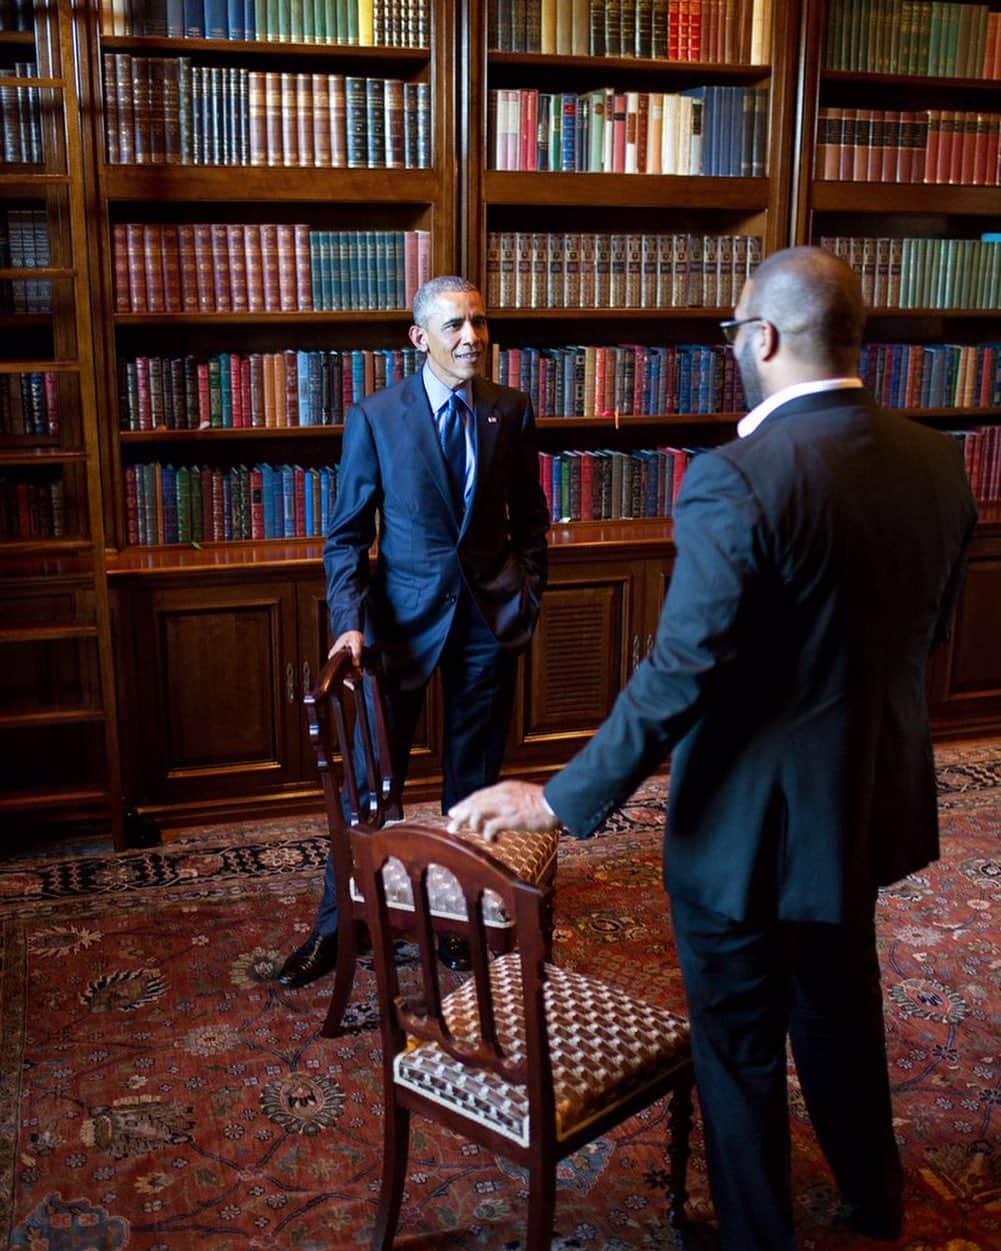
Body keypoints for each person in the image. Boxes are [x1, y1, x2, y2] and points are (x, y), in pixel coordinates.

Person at [448, 247, 978, 1249]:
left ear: (765, 337)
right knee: (837, 1014)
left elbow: (679, 673)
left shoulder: (734, 479)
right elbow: (925, 639)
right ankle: (873, 1206)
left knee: (736, 1054)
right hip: (857, 806)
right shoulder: (937, 462)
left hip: (741, 834)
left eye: (733, 328)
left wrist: (557, 800)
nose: (733, 343)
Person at [278, 275, 549, 986]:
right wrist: (348, 624)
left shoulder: (510, 409)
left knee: (474, 782)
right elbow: (344, 537)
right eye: (456, 325)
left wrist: (529, 594)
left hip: (489, 621)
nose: (472, 338)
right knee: (368, 785)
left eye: (480, 322)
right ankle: (339, 930)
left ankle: (464, 919)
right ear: (419, 337)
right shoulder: (376, 416)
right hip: (395, 626)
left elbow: (531, 518)